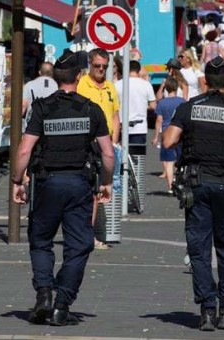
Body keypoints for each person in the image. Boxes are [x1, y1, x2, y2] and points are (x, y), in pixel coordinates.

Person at [12, 50, 115, 326]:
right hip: (79, 185)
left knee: (41, 239)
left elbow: (25, 149)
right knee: (79, 245)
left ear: (56, 78)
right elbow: (107, 153)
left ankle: (44, 294)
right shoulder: (91, 109)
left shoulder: (42, 108)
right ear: (79, 76)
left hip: (46, 184)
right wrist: (106, 182)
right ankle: (62, 304)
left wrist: (16, 180)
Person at [162, 56, 224, 331]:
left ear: (205, 80)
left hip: (197, 185)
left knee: (199, 251)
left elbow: (169, 140)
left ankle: (206, 309)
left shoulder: (190, 107)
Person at [77, 48, 120, 250]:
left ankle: (89, 234)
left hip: (106, 144)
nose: (101, 69)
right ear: (90, 65)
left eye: (104, 66)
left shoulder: (110, 87)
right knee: (88, 191)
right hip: (88, 143)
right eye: (97, 66)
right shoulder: (81, 86)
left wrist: (115, 142)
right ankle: (85, 235)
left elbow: (115, 116)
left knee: (99, 191)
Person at [152, 78, 185, 193]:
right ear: (177, 88)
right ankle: (181, 182)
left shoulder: (162, 103)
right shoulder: (182, 101)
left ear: (166, 88)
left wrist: (156, 136)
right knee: (181, 159)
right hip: (180, 132)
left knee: (169, 161)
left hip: (166, 132)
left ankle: (171, 186)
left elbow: (158, 121)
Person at [115, 60, 156, 145]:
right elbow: (153, 106)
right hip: (139, 128)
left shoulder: (117, 84)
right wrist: (143, 106)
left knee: (121, 156)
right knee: (137, 156)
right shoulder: (146, 85)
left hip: (120, 127)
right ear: (139, 70)